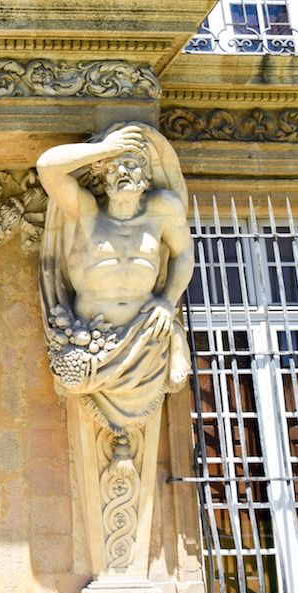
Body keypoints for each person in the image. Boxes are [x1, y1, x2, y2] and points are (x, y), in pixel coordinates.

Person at [36, 122, 194, 433]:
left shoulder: (162, 209)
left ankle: (173, 334)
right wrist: (105, 149)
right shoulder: (87, 212)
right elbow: (47, 167)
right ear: (104, 177)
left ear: (144, 176)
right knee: (72, 381)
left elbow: (184, 255)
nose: (122, 171)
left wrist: (168, 301)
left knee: (176, 379)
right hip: (91, 343)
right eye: (115, 167)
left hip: (145, 335)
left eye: (131, 165)